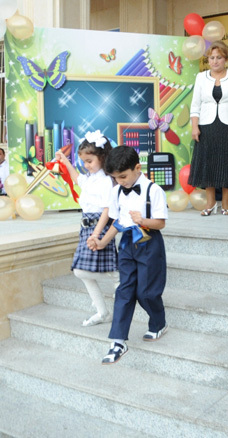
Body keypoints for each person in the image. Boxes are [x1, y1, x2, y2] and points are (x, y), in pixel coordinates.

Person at [88, 146, 168, 364]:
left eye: (123, 176)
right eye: (115, 178)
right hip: (126, 245)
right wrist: (102, 241)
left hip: (149, 242)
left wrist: (143, 221)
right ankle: (118, 341)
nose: (120, 182)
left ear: (137, 168)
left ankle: (158, 322)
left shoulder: (154, 190)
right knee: (124, 290)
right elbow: (117, 220)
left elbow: (160, 223)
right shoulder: (116, 192)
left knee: (146, 292)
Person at [55, 130, 118, 327]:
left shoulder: (106, 180)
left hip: (99, 226)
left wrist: (97, 233)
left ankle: (118, 278)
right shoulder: (90, 178)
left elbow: (108, 209)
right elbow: (77, 179)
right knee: (80, 271)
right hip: (86, 227)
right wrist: (66, 162)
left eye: (89, 160)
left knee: (81, 271)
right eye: (83, 161)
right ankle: (103, 311)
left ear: (102, 157)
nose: (86, 165)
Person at [189, 40, 228, 216]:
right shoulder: (201, 77)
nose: (215, 61)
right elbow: (195, 105)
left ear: (225, 59)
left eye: (219, 58)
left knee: (227, 164)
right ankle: (210, 203)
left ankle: (225, 204)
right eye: (211, 58)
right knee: (208, 164)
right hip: (206, 126)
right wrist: (195, 127)